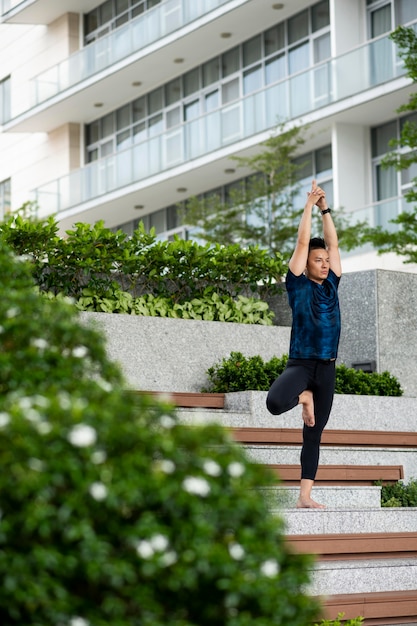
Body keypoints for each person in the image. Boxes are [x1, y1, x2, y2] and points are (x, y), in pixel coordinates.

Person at [266, 179, 342, 509]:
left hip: (327, 369)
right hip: (301, 364)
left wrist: (326, 208)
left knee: (314, 434)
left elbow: (334, 245)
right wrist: (309, 206)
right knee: (274, 402)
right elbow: (301, 243)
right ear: (306, 264)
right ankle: (303, 397)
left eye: (326, 260)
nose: (324, 263)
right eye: (318, 260)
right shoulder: (297, 285)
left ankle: (305, 495)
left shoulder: (333, 285)